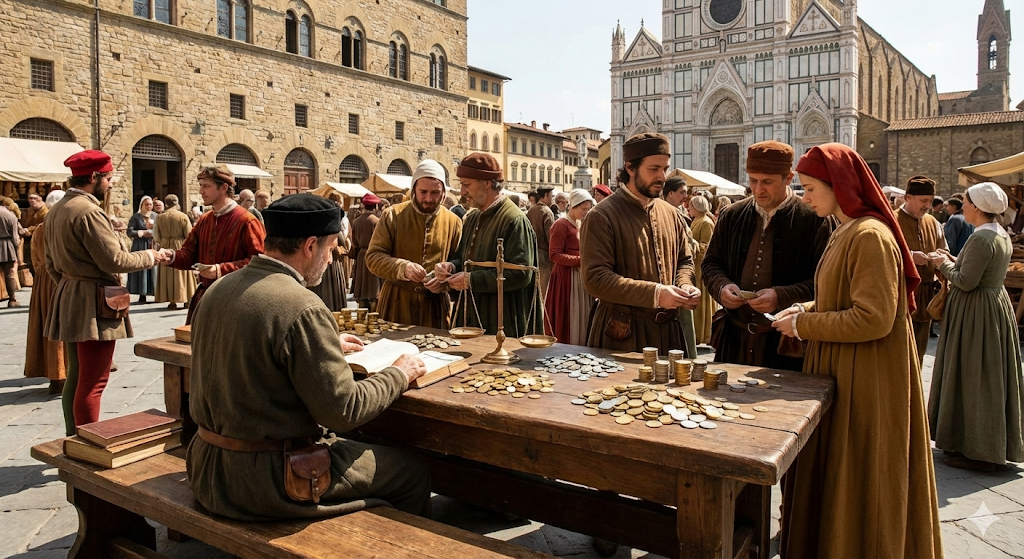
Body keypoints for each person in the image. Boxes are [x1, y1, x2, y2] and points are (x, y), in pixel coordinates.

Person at [186, 193, 431, 521]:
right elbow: (344, 410)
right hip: (270, 482)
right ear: (310, 245)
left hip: (207, 469)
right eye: (330, 249)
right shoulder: (301, 306)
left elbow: (259, 349)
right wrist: (400, 373)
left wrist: (323, 342)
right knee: (412, 471)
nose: (331, 259)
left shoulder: (219, 288)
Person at [771, 142, 943, 559]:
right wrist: (807, 306)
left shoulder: (869, 235)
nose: (804, 196)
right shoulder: (846, 228)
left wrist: (803, 324)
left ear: (838, 185)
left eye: (810, 187)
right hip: (845, 365)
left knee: (862, 472)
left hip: (866, 374)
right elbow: (841, 297)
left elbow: (873, 318)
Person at [45, 150, 169, 431]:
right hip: (93, 300)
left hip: (70, 293)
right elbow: (116, 261)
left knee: (77, 377)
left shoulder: (59, 208)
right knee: (94, 381)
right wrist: (152, 257)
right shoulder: (88, 211)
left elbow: (51, 265)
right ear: (93, 177)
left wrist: (71, 286)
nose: (111, 184)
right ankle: (87, 447)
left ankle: (73, 438)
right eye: (109, 178)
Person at [701, 140, 833, 371]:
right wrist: (722, 287)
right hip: (734, 339)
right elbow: (711, 264)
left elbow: (825, 284)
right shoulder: (731, 215)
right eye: (753, 181)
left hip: (786, 346)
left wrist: (781, 296)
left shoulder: (815, 219)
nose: (758, 189)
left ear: (789, 178)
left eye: (767, 182)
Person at [928, 182, 1024, 472]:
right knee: (987, 376)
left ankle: (978, 449)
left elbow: (966, 280)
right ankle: (975, 444)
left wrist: (941, 264)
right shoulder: (999, 235)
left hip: (976, 313)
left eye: (968, 202)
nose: (964, 206)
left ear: (978, 207)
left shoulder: (982, 238)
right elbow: (976, 269)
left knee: (974, 376)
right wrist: (952, 259)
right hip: (992, 305)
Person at [581, 133, 700, 353]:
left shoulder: (671, 214)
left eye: (665, 169)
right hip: (623, 335)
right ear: (630, 168)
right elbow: (595, 279)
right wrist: (655, 293)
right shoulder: (602, 215)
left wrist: (685, 285)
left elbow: (684, 260)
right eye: (654, 169)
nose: (662, 177)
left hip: (669, 335)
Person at [435, 153, 541, 336]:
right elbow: (464, 258)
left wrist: (471, 280)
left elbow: (522, 273)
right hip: (472, 316)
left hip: (502, 320)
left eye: (466, 185)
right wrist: (451, 267)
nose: (462, 191)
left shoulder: (514, 220)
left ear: (487, 183)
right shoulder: (473, 217)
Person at [366, 160, 463, 328]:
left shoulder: (454, 222)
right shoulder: (392, 216)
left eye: (435, 193)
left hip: (435, 309)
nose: (428, 198)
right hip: (396, 305)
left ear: (443, 193)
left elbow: (459, 262)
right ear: (413, 190)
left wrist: (445, 281)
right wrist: (402, 267)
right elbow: (373, 258)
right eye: (423, 192)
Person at [164, 165, 266, 323]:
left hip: (236, 303)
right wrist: (171, 256)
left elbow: (260, 264)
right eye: (201, 186)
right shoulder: (205, 220)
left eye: (206, 186)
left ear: (224, 187)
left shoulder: (248, 221)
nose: (201, 191)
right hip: (206, 300)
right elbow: (189, 254)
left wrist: (220, 270)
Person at [895, 175, 948, 364]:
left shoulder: (933, 222)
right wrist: (910, 255)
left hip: (926, 297)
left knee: (919, 353)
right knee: (899, 353)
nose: (927, 206)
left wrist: (941, 259)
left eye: (930, 201)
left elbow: (944, 248)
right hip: (902, 296)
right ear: (908, 197)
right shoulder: (892, 220)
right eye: (923, 201)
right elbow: (883, 253)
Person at [24, 190, 67, 396]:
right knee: (63, 326)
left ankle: (54, 377)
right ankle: (64, 373)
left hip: (42, 280)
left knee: (47, 326)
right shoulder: (62, 226)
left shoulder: (40, 229)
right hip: (60, 277)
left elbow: (35, 258)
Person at [544, 189, 595, 345]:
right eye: (583, 209)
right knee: (569, 313)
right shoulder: (561, 225)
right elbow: (554, 255)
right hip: (566, 278)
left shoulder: (578, 224)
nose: (586, 212)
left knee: (581, 314)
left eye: (588, 209)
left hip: (579, 276)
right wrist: (580, 260)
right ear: (573, 206)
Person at [660, 176, 699, 358]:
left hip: (682, 278)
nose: (686, 196)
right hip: (669, 282)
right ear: (670, 194)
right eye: (682, 192)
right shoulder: (662, 215)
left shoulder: (679, 214)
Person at [308, 191, 351, 312]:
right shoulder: (333, 225)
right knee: (332, 292)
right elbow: (341, 240)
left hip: (321, 261)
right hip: (330, 263)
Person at [152, 194, 196, 310]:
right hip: (180, 244)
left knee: (167, 272)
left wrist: (162, 242)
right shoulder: (183, 216)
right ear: (176, 203)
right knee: (182, 271)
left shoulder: (160, 217)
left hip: (165, 245)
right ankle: (186, 299)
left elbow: (156, 235)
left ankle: (172, 302)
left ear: (166, 203)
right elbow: (189, 234)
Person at [688, 194, 718, 346]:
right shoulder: (697, 221)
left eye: (691, 206)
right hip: (695, 267)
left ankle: (703, 335)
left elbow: (707, 247)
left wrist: (692, 243)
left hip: (701, 268)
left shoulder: (706, 222)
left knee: (702, 304)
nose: (688, 208)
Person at [350, 193, 383, 311]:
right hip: (374, 255)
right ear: (376, 206)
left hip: (361, 255)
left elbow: (354, 242)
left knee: (362, 290)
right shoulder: (377, 222)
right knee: (374, 289)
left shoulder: (356, 221)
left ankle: (362, 314)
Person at [126, 196, 157, 304]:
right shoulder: (136, 217)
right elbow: (129, 232)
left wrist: (153, 233)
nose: (149, 207)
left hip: (152, 244)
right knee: (141, 268)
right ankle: (141, 294)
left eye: (150, 204)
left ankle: (155, 292)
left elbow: (160, 229)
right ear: (142, 205)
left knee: (153, 269)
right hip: (140, 245)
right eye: (146, 204)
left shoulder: (155, 216)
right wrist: (142, 233)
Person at [527, 186, 555, 294]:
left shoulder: (531, 210)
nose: (552, 199)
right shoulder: (546, 211)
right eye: (551, 196)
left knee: (533, 290)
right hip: (543, 255)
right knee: (543, 291)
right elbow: (550, 236)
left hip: (531, 253)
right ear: (546, 195)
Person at [18, 193, 46, 277]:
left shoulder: (45, 211)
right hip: (28, 238)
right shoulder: (30, 211)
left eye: (34, 198)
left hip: (40, 238)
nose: (32, 201)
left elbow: (42, 225)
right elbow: (25, 221)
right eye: (30, 198)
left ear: (40, 199)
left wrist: (29, 230)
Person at [0, 201, 20, 307]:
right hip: (7, 246)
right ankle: (12, 299)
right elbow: (15, 237)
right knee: (9, 275)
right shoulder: (10, 215)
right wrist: (16, 250)